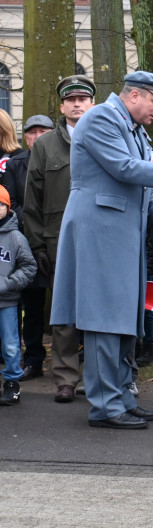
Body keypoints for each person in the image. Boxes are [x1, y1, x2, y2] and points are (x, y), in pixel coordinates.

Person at [50, 71, 153, 429]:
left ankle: (122, 398)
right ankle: (106, 407)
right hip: (99, 231)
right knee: (103, 320)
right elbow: (124, 169)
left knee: (125, 318)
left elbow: (145, 175)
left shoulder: (133, 128)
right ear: (135, 95)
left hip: (120, 233)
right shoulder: (101, 118)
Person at [23, 75, 95, 402]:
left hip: (99, 237)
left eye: (82, 99)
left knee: (98, 310)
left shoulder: (105, 137)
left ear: (92, 103)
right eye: (71, 100)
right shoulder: (44, 146)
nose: (77, 104)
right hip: (58, 240)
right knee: (63, 311)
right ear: (62, 106)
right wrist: (37, 244)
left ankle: (97, 376)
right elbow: (32, 200)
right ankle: (66, 377)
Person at [1, 112, 47, 382]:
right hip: (26, 242)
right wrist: (33, 226)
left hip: (58, 240)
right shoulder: (15, 164)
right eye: (32, 132)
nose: (37, 137)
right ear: (25, 136)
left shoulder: (68, 158)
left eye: (43, 132)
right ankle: (33, 359)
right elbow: (11, 202)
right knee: (31, 305)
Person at [0, 185, 37, 405]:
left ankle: (12, 383)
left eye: (0, 204)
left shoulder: (16, 238)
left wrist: (7, 283)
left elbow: (29, 268)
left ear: (7, 207)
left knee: (10, 344)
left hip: (7, 302)